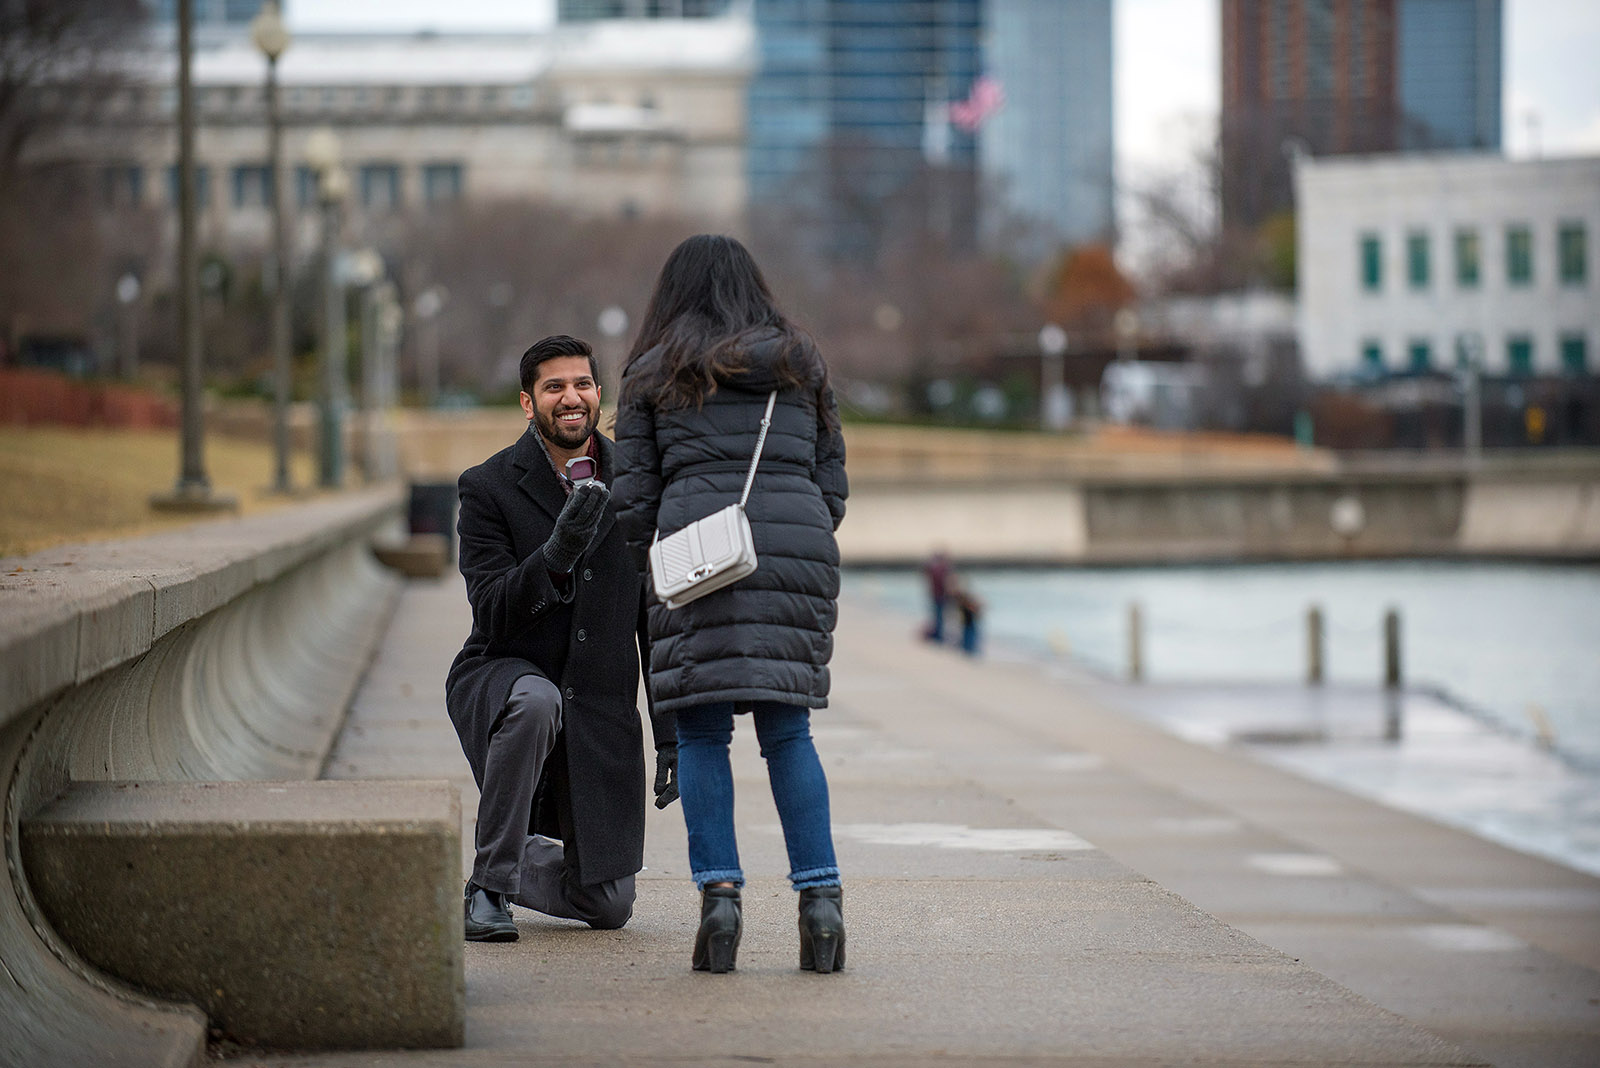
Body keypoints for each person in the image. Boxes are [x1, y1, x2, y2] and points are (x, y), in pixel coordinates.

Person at [613, 234, 849, 975]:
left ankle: (720, 900)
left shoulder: (654, 371)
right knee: (789, 733)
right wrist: (795, 529)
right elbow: (832, 478)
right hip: (795, 550)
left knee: (703, 734)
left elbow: (634, 503)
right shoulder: (800, 362)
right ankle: (822, 908)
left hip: (698, 558)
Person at [445, 334, 678, 942]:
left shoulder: (639, 482)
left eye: (581, 384)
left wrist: (672, 734)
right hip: (505, 674)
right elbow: (491, 613)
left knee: (607, 906)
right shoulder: (487, 486)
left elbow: (656, 622)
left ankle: (499, 860)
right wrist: (555, 556)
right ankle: (489, 888)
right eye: (554, 387)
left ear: (599, 394)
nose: (570, 398)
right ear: (528, 403)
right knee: (535, 700)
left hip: (599, 704)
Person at [923, 549, 952, 643]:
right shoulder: (940, 570)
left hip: (936, 596)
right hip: (939, 596)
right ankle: (939, 636)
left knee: (938, 616)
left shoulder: (935, 569)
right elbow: (945, 584)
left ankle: (938, 635)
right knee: (939, 617)